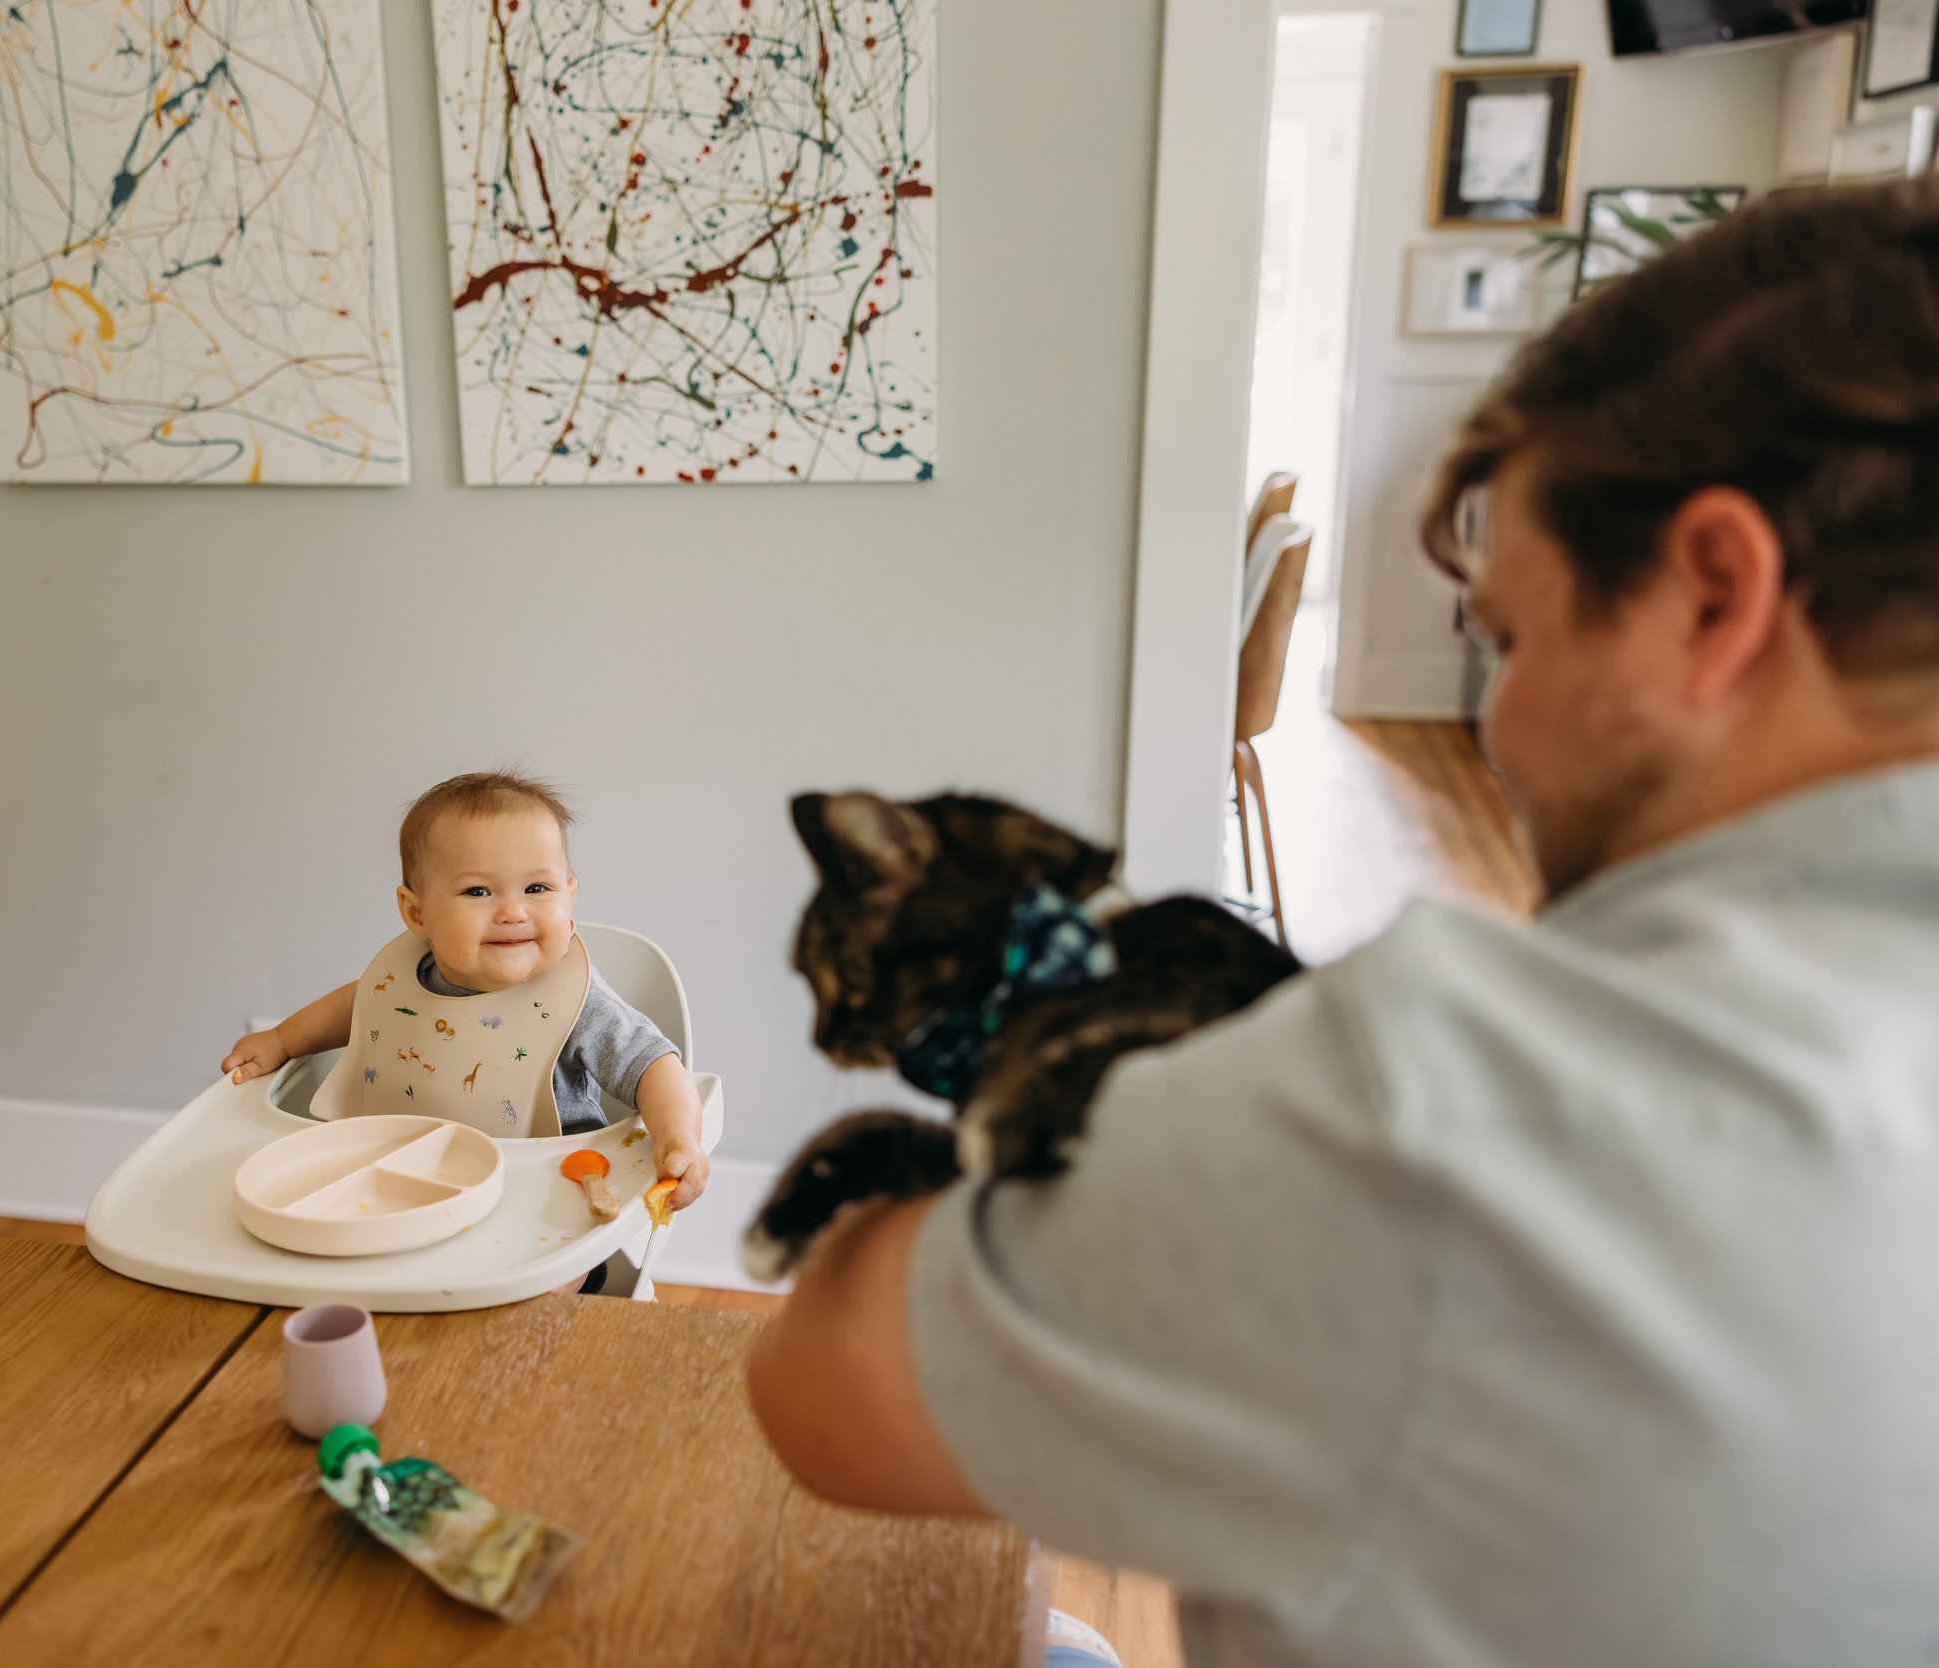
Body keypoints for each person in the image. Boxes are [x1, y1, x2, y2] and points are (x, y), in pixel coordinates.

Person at [747, 179, 1939, 1668]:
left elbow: (828, 1390)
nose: (1499, 730)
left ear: (1712, 594)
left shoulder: (1442, 1100)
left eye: (1511, 641)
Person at [221, 772, 710, 1224]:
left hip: (545, 1197)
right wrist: (283, 1041)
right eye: (478, 891)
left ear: (569, 893)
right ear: (417, 915)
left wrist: (679, 1137)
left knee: (540, 1276)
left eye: (537, 887)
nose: (513, 911)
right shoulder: (399, 985)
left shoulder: (574, 1000)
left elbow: (653, 1065)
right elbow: (356, 1005)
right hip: (410, 1183)